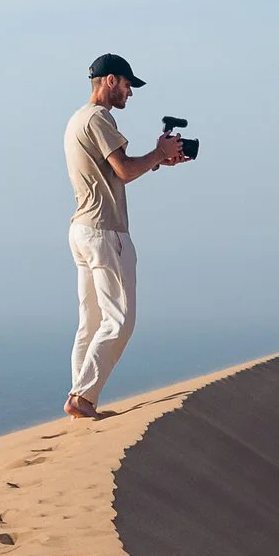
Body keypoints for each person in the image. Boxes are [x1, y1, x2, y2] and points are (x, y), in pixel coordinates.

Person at [62, 51, 186, 420]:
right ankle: (82, 396)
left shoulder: (76, 120)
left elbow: (114, 173)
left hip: (82, 230)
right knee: (121, 319)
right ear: (110, 81)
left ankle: (83, 398)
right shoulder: (99, 119)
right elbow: (126, 170)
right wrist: (157, 153)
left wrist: (159, 159)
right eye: (128, 85)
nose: (130, 94)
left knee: (91, 322)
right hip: (104, 231)